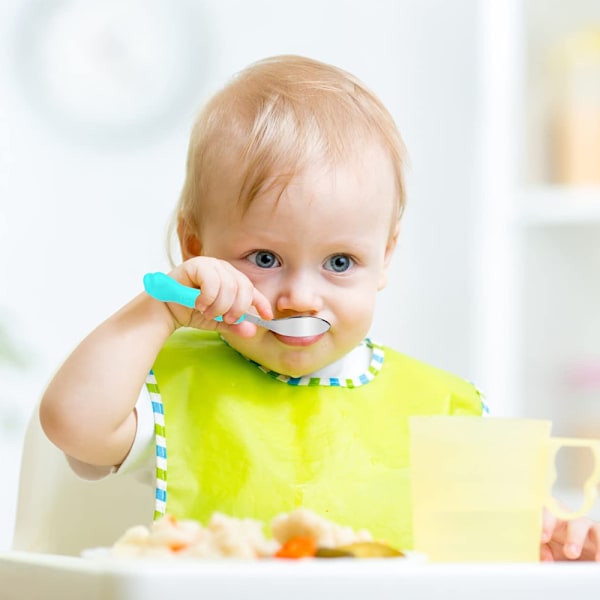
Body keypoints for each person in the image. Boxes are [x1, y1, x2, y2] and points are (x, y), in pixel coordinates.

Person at [39, 55, 599, 560]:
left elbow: (487, 555)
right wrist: (159, 306)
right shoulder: (171, 383)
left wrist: (544, 545)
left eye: (339, 263)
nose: (301, 297)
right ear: (195, 250)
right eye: (264, 257)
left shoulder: (441, 411)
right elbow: (72, 426)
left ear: (384, 258)